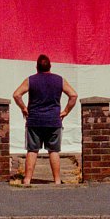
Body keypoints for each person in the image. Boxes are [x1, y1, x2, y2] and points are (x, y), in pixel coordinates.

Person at [12, 54, 78, 185]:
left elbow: (16, 94)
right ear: (50, 66)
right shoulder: (59, 80)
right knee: (54, 151)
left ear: (36, 67)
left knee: (32, 151)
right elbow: (73, 95)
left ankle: (27, 180)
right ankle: (57, 180)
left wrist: (24, 108)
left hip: (34, 120)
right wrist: (65, 111)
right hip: (53, 121)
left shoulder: (31, 80)